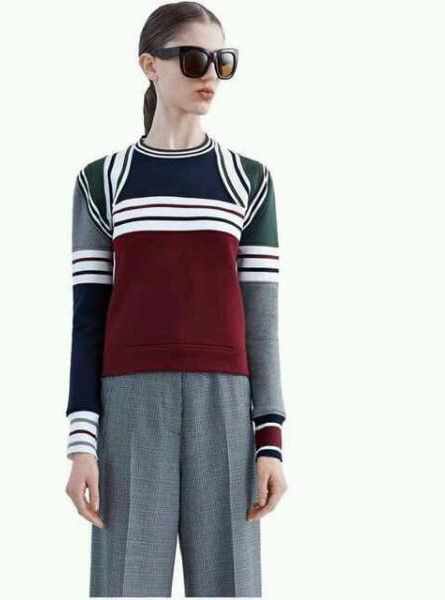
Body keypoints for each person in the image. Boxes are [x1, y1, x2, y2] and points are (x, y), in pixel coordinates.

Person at [64, 2, 288, 596]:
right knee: (126, 586)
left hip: (226, 406)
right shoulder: (102, 181)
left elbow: (261, 323)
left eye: (222, 61)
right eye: (193, 59)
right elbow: (88, 319)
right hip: (129, 407)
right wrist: (81, 444)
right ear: (150, 65)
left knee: (230, 587)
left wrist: (270, 441)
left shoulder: (249, 181)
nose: (210, 74)